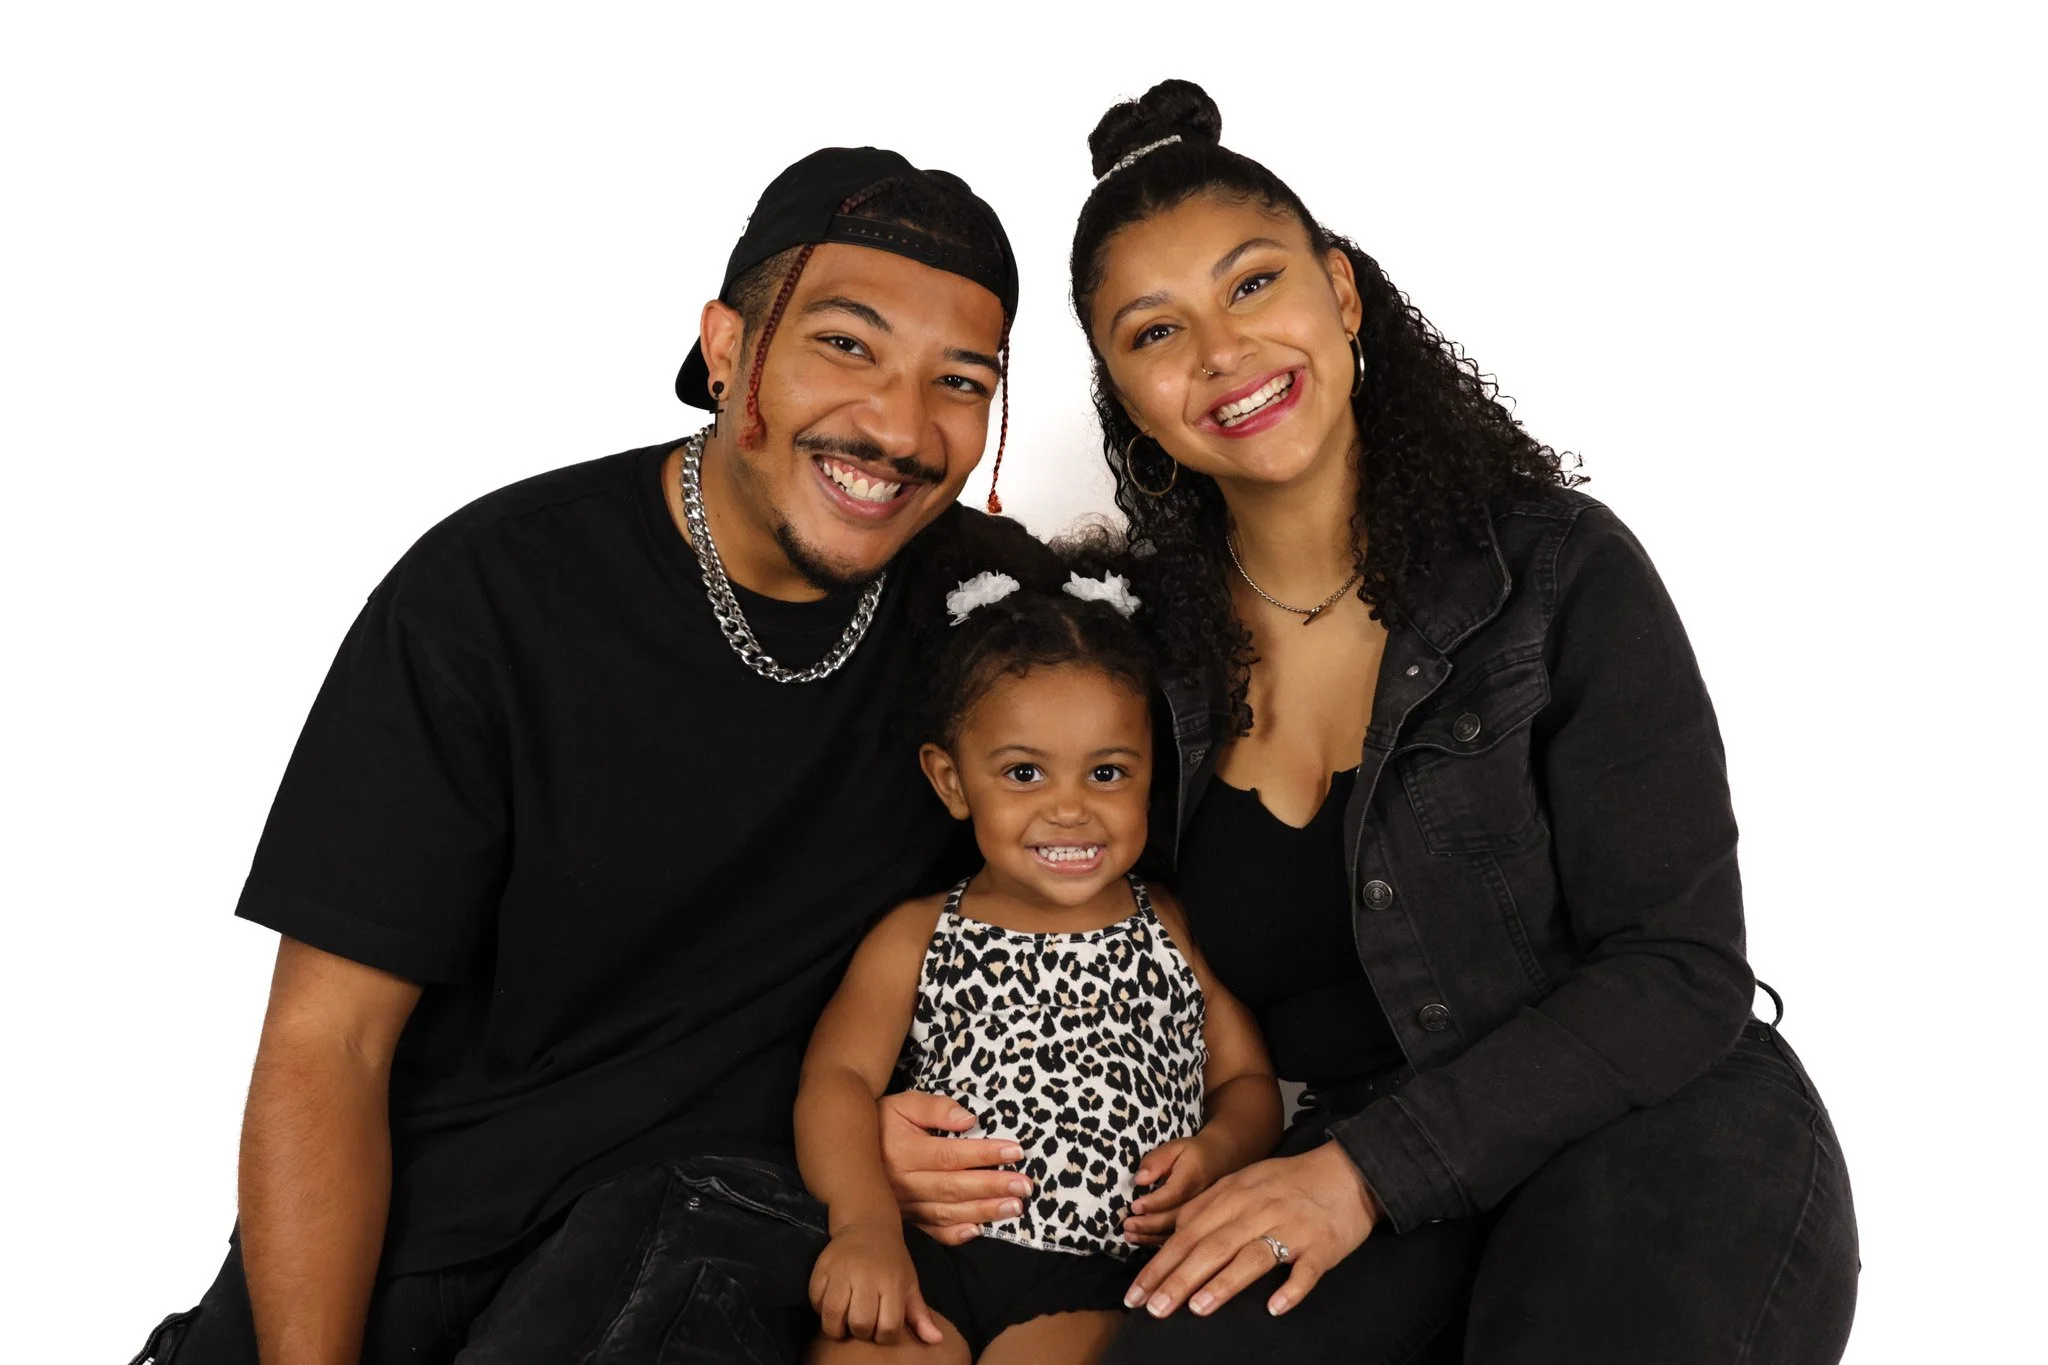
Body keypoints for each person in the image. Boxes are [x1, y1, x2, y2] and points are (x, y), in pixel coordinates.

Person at [884, 80, 1860, 1364]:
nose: (1221, 355)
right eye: (1153, 332)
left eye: (1251, 286)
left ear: (1340, 295)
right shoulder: (1131, 658)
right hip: (1347, 1163)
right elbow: (1030, 897)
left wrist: (1357, 1175)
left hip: (1647, 1122)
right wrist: (893, 1115)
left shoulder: (1552, 573)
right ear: (1123, 395)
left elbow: (1678, 975)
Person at [137, 145, 1056, 1365]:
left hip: (728, 1214)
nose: (897, 427)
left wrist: (876, 1136)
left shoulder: (992, 636)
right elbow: (327, 1046)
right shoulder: (492, 597)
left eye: (959, 381)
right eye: (846, 344)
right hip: (432, 1212)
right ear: (726, 349)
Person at [795, 563, 1280, 1365]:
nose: (1069, 806)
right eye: (1025, 772)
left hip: (1101, 1272)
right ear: (952, 780)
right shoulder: (917, 933)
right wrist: (865, 1226)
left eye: (1107, 771)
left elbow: (1248, 1083)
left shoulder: (1171, 924)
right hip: (926, 1256)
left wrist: (1219, 1151)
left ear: (1151, 772)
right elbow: (836, 1081)